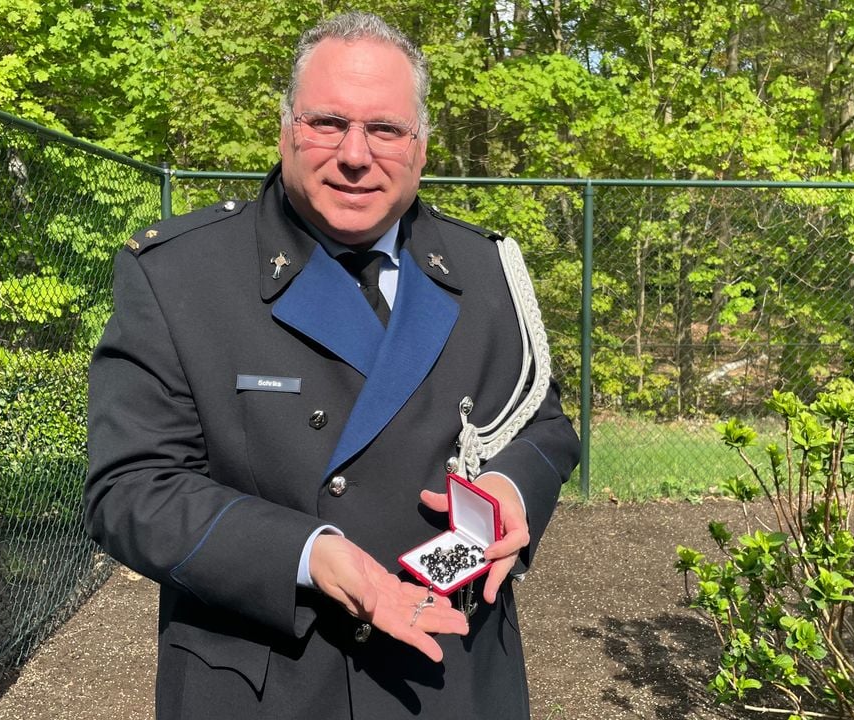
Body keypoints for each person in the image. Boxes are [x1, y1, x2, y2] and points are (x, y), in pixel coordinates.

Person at [83, 11, 580, 720]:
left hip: (452, 678)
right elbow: (129, 490)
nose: (355, 154)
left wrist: (510, 486)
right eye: (327, 123)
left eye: (384, 129)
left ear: (420, 145)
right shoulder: (181, 275)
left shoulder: (486, 268)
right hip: (267, 686)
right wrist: (310, 553)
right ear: (285, 129)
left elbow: (546, 425)